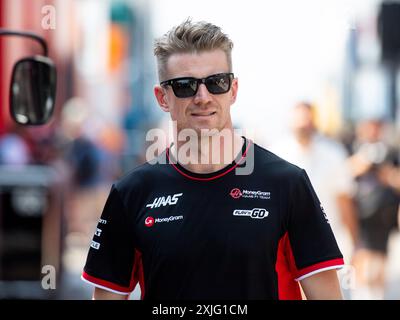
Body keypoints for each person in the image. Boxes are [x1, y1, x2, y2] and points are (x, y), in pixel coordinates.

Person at [81, 19, 344, 300]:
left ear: (233, 90)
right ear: (162, 98)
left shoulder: (287, 184)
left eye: (216, 82)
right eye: (184, 85)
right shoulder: (131, 193)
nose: (203, 97)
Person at [269, 102, 359, 278]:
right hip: (287, 247)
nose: (303, 126)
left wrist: (355, 241)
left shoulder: (333, 153)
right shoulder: (277, 152)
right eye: (299, 122)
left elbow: (344, 199)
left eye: (307, 121)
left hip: (328, 244)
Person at [348, 118, 400, 299]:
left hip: (384, 215)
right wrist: (361, 165)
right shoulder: (353, 148)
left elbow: (395, 179)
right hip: (360, 215)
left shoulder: (391, 152)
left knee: (379, 264)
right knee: (363, 261)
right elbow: (343, 175)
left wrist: (387, 175)